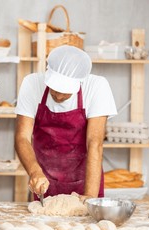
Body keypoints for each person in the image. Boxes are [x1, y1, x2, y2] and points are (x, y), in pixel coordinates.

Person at [15, 45, 117, 202]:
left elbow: (94, 143)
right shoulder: (32, 83)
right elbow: (22, 137)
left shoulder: (96, 87)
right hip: (44, 180)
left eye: (66, 91)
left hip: (85, 179)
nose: (58, 95)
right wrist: (34, 171)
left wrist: (90, 196)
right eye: (54, 88)